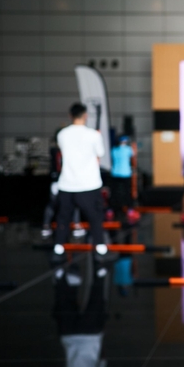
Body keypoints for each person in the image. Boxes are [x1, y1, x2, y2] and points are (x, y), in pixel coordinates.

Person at [53, 103, 107, 258]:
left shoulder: (62, 134)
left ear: (70, 116)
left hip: (67, 183)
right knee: (95, 217)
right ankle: (100, 246)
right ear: (85, 116)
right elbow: (100, 153)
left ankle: (59, 246)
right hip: (89, 184)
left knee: (63, 217)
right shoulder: (94, 135)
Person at [42, 129, 84, 239]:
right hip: (64, 182)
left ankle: (47, 226)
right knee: (70, 203)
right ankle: (76, 226)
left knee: (54, 204)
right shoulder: (61, 151)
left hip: (58, 182)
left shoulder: (56, 150)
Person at [109, 135, 134, 217]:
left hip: (115, 173)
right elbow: (133, 157)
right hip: (125, 174)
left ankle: (111, 209)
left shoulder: (114, 150)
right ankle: (130, 209)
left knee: (114, 192)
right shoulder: (128, 149)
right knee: (127, 191)